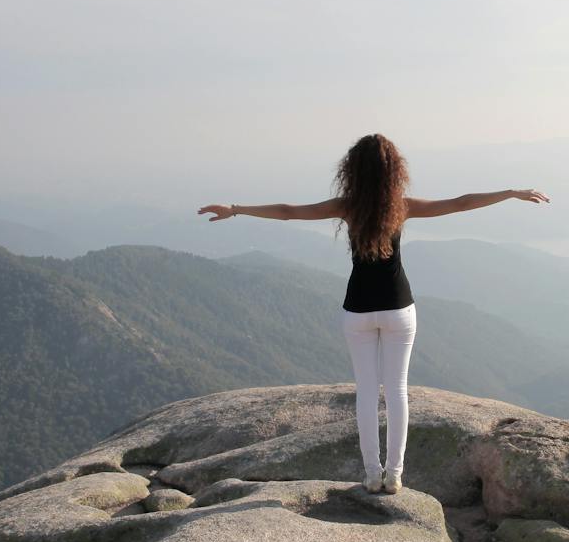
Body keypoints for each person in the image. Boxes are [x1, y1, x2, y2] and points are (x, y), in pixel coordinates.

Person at [198, 133, 550, 494]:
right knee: (396, 391)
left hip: (358, 311)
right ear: (394, 170)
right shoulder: (403, 205)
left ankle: (371, 474)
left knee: (367, 392)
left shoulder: (348, 207)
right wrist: (509, 193)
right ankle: (394, 475)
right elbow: (460, 203)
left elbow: (289, 212)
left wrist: (235, 208)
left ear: (352, 170)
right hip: (399, 308)